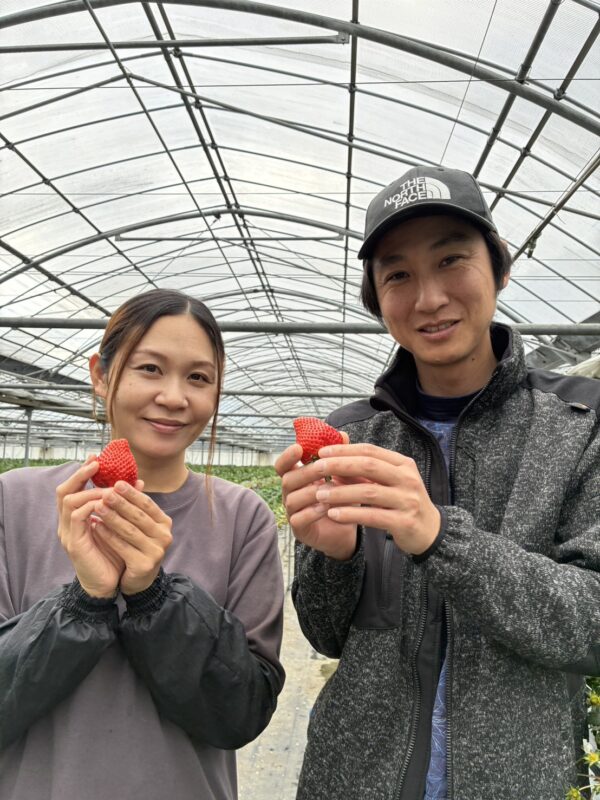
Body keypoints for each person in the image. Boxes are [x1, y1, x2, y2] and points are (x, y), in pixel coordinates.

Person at [275, 165, 600, 800]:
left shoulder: (581, 425)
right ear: (376, 300)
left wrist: (438, 538)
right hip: (355, 778)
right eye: (397, 274)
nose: (428, 298)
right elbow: (323, 634)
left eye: (452, 259)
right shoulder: (351, 437)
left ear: (499, 269)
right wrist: (334, 558)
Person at [0, 289, 285, 800]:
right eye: (150, 368)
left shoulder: (244, 518)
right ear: (101, 374)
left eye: (198, 377)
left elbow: (241, 711)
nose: (174, 397)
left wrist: (153, 593)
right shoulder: (13, 502)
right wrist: (85, 601)